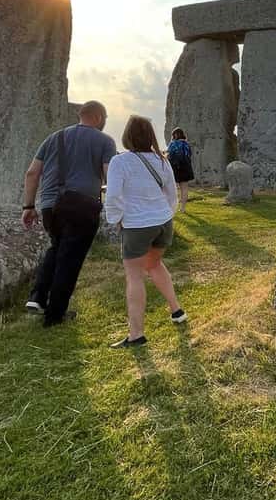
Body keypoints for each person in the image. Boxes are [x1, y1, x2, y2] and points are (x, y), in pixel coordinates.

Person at [22, 101, 116, 326]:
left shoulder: (54, 138)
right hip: (81, 206)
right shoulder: (104, 141)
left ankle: (37, 297)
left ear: (80, 115)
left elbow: (32, 173)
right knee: (70, 260)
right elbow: (109, 176)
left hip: (49, 206)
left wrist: (28, 207)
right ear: (99, 117)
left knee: (57, 248)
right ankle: (55, 315)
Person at [105, 115, 187, 348]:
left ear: (127, 136)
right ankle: (176, 310)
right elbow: (172, 193)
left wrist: (116, 219)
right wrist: (166, 213)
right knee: (154, 265)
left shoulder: (120, 162)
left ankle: (136, 334)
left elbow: (113, 195)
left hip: (137, 224)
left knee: (134, 276)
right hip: (162, 222)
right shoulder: (162, 161)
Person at [166, 127, 194, 212]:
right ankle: (183, 208)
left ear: (173, 135)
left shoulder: (172, 144)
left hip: (174, 168)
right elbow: (189, 155)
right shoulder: (186, 144)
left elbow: (169, 155)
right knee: (184, 188)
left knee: (171, 188)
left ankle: (171, 207)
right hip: (186, 168)